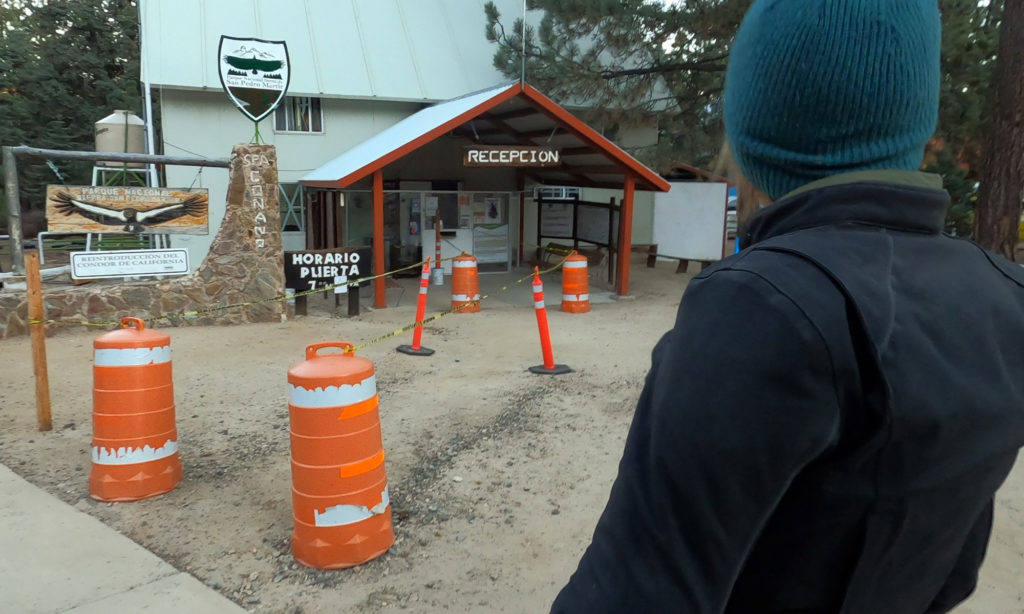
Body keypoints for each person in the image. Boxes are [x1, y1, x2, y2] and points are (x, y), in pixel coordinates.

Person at [551, 1, 1024, 612]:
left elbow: (634, 591)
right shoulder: (1004, 296)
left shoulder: (760, 304)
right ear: (913, 120)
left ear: (756, 126)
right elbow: (956, 570)